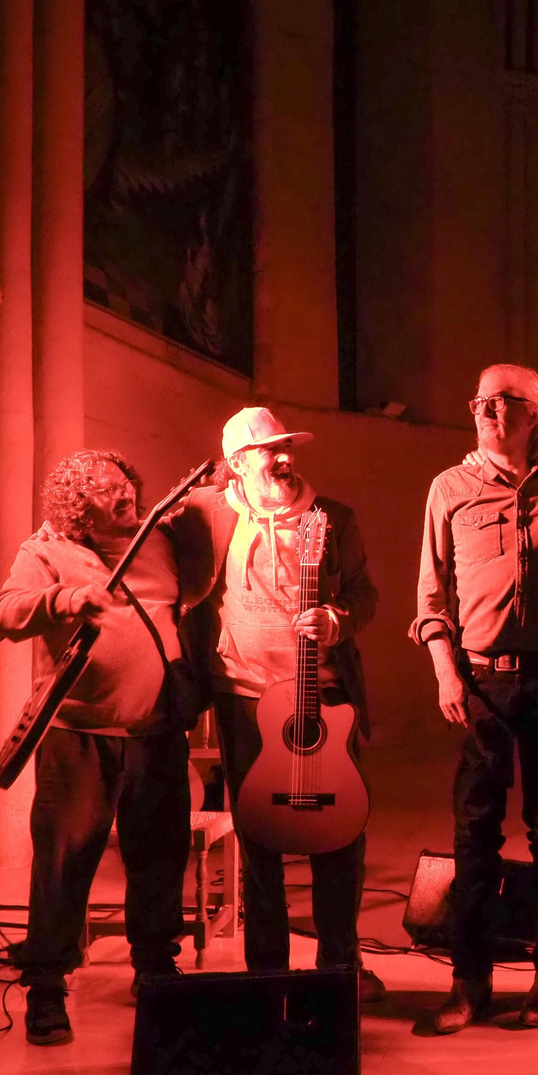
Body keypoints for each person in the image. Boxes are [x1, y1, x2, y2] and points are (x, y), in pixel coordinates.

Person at [174, 407, 383, 1000]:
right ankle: (267, 973)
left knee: (339, 834)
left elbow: (365, 593)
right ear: (238, 464)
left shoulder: (331, 517)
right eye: (269, 450)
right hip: (243, 697)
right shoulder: (208, 518)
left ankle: (339, 968)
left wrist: (337, 620)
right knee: (260, 837)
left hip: (324, 699)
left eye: (288, 446)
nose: (285, 457)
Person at [0, 450, 192, 1046]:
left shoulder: (158, 538)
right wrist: (65, 600)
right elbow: (5, 612)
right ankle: (47, 987)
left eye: (126, 482)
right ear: (81, 509)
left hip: (156, 732)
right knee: (64, 862)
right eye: (108, 491)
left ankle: (155, 966)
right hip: (79, 735)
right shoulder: (46, 550)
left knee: (159, 855)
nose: (125, 494)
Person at [412, 364, 538, 1033]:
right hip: (479, 680)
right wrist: (445, 674)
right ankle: (468, 982)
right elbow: (429, 596)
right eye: (479, 400)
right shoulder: (448, 488)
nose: (485, 410)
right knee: (473, 833)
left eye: (503, 401)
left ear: (536, 414)